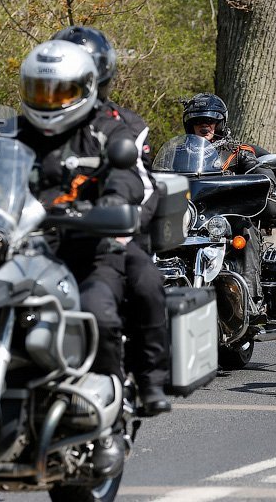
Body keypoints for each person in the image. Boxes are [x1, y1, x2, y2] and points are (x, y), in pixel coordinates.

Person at [17, 39, 145, 477]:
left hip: (88, 246)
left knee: (97, 312)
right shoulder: (12, 132)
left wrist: (103, 210)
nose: (49, 102)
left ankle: (109, 424)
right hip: (24, 251)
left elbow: (128, 182)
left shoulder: (109, 131)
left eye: (61, 92)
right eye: (41, 90)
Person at [51, 26, 171, 416]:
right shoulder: (27, 130)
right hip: (42, 238)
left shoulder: (122, 126)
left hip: (110, 235)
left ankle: (148, 378)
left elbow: (140, 183)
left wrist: (119, 215)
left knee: (146, 281)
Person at [181, 93, 276, 304]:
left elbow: (260, 171)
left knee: (245, 227)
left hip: (225, 218)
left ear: (220, 123)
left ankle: (250, 298)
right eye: (197, 121)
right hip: (188, 217)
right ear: (190, 124)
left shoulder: (237, 151)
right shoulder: (180, 152)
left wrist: (262, 178)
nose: (204, 125)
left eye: (210, 120)